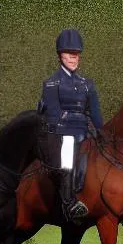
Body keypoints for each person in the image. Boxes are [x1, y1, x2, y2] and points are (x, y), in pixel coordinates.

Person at [38, 29, 103, 222]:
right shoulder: (52, 83)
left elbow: (96, 114)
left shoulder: (87, 84)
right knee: (67, 154)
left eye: (76, 54)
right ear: (60, 56)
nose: (73, 58)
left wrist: (101, 132)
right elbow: (54, 115)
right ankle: (68, 203)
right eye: (69, 54)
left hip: (84, 132)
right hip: (61, 134)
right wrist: (80, 123)